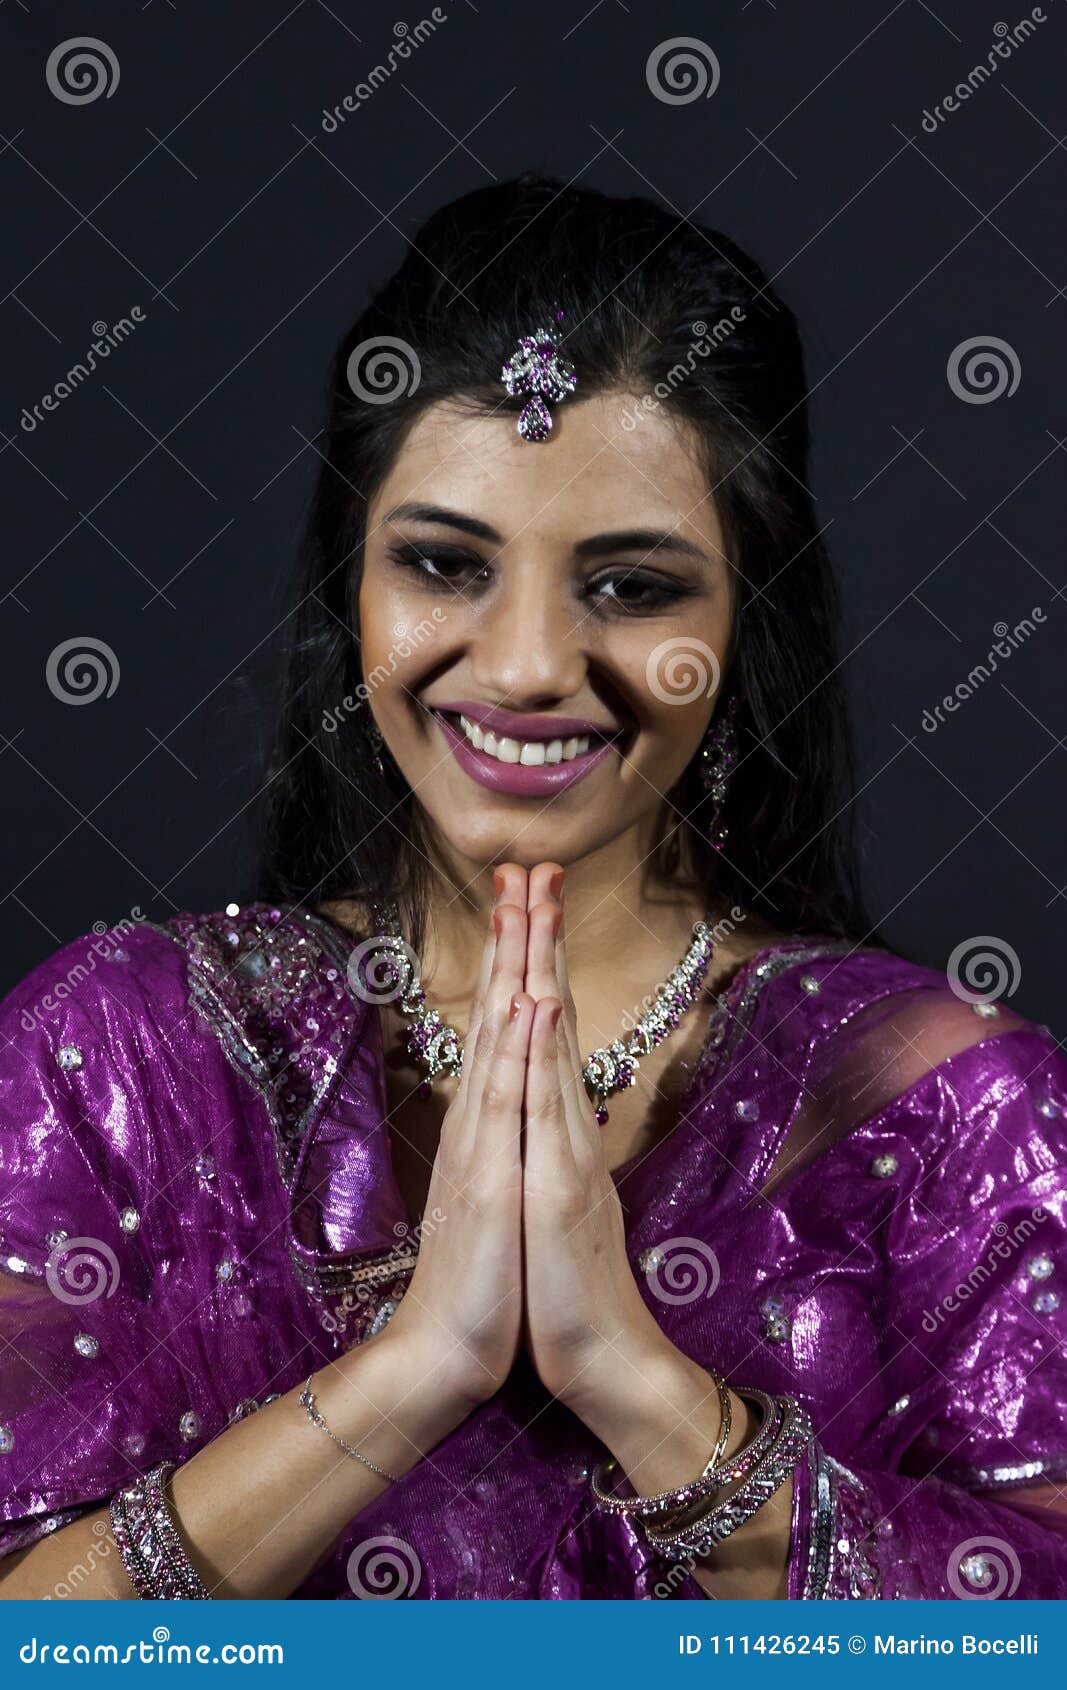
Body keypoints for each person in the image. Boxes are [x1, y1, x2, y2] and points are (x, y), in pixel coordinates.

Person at [1, 175, 1065, 1601]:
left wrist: (635, 1380)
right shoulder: (117, 1051)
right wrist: (413, 1371)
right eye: (444, 564)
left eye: (631, 587)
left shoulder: (940, 1103)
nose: (522, 667)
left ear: (750, 622)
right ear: (352, 591)